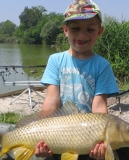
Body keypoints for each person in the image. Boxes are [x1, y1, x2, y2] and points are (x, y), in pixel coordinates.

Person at [35, 0, 119, 159]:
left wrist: (102, 142)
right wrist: (42, 135)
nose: (82, 34)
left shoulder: (102, 65)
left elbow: (99, 105)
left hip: (88, 140)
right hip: (58, 134)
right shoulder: (55, 60)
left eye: (90, 29)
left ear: (99, 32)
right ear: (65, 30)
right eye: (75, 28)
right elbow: (52, 99)